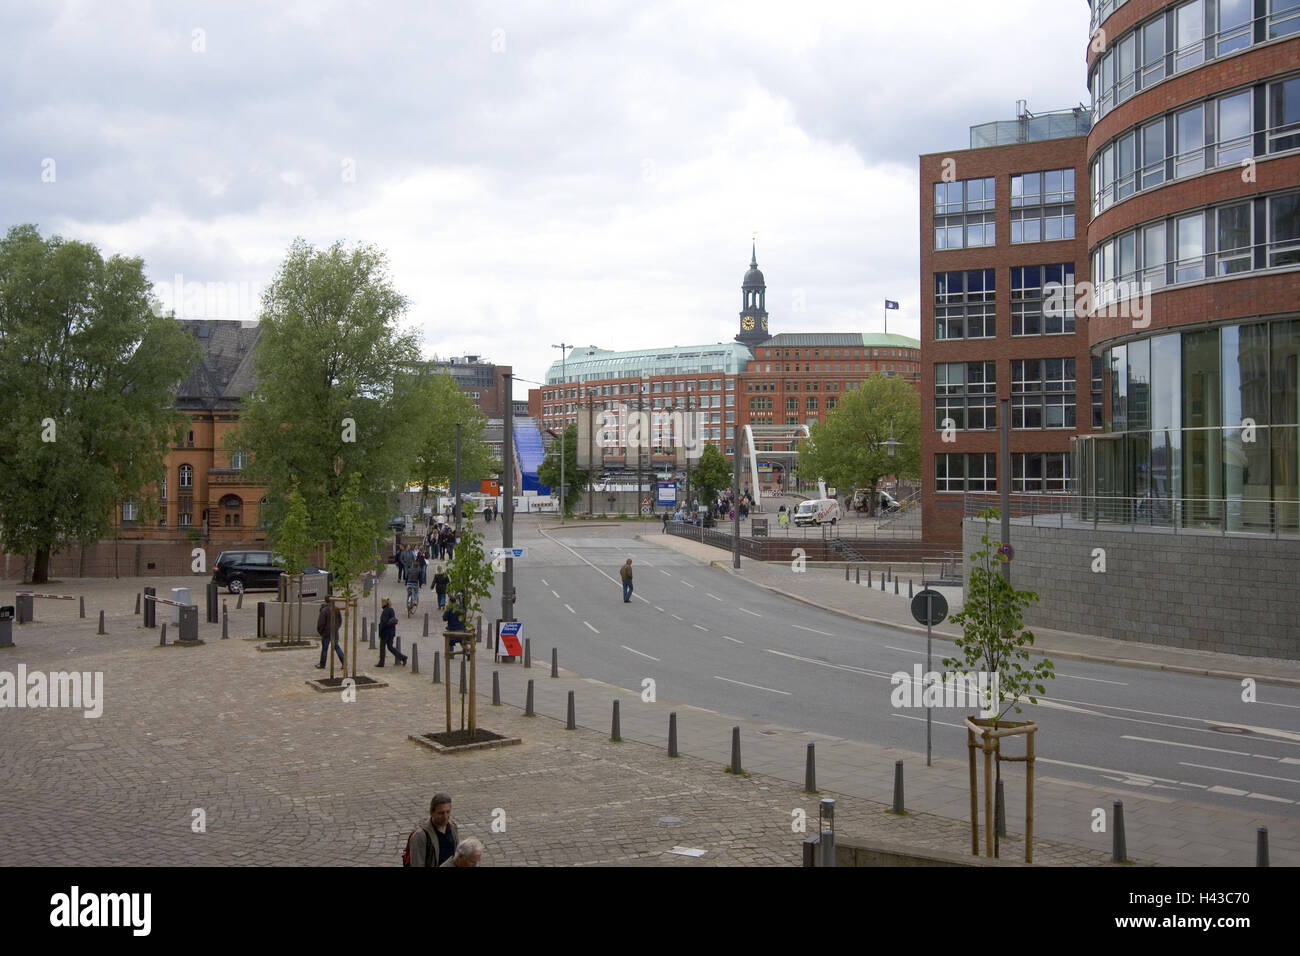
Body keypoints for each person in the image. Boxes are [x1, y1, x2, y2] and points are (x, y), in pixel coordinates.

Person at [407, 793, 459, 868]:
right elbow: (417, 863)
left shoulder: (453, 827)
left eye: (448, 812)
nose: (445, 817)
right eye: (441, 813)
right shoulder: (421, 836)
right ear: (432, 812)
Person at [376, 597, 406, 667]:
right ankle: (403, 657)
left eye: (382, 602)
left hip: (385, 632)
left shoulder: (385, 611)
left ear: (385, 603)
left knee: (382, 647)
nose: (381, 603)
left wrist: (380, 631)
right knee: (390, 647)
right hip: (391, 632)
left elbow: (384, 622)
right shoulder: (391, 609)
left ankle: (381, 662)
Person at [315, 600, 344, 669]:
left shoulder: (324, 610)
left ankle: (322, 664)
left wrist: (321, 632)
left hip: (326, 633)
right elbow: (340, 620)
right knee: (336, 647)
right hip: (334, 632)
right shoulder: (336, 609)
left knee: (325, 649)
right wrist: (337, 628)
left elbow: (321, 623)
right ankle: (344, 662)